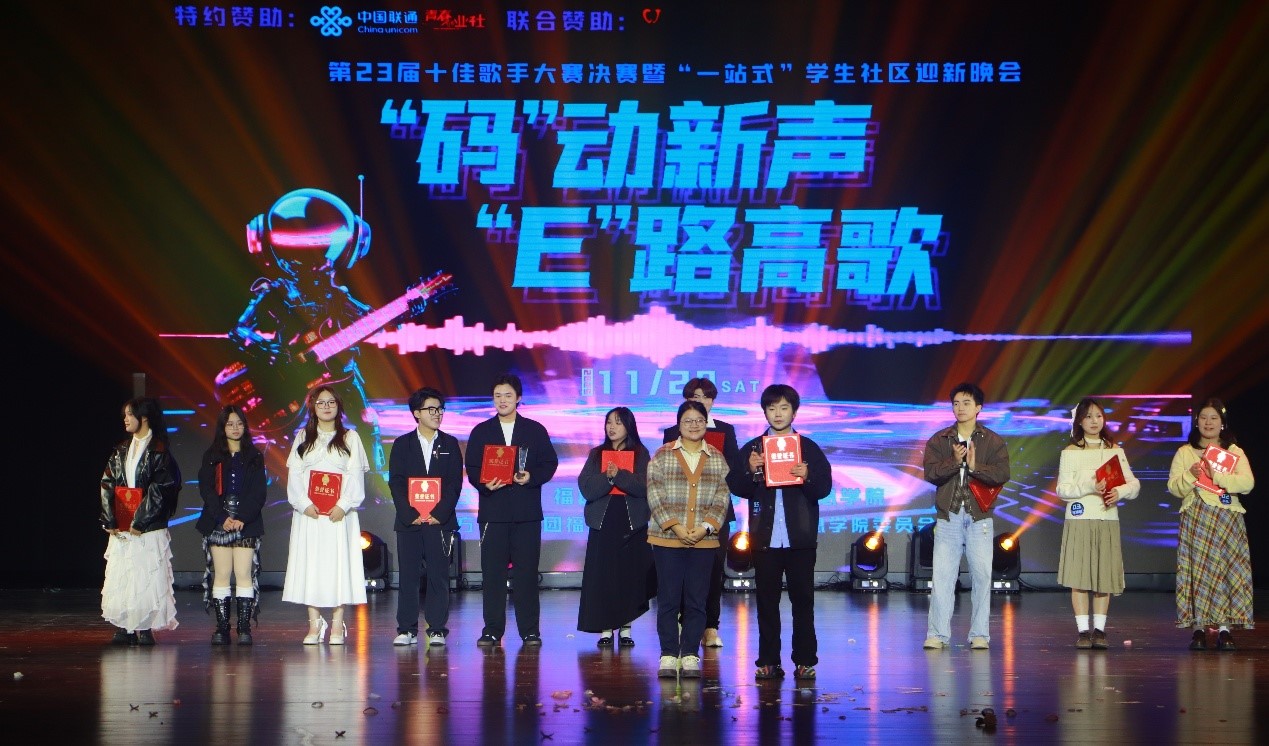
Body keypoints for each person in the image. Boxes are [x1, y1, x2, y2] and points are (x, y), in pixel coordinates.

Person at [728, 384, 833, 680]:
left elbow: (824, 488)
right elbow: (736, 486)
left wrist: (807, 475)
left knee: (803, 602)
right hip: (765, 539)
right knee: (766, 603)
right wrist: (750, 471)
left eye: (784, 408)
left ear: (794, 412)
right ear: (764, 412)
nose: (777, 414)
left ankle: (805, 660)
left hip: (800, 539)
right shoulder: (753, 448)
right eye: (772, 408)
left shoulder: (808, 447)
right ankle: (768, 660)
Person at [464, 373, 560, 646]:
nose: (502, 400)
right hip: (493, 513)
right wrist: (484, 483)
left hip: (526, 513)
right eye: (497, 396)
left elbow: (549, 463)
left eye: (508, 395)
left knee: (526, 574)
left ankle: (530, 630)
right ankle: (492, 630)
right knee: (492, 574)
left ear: (518, 398)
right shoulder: (481, 431)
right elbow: (472, 467)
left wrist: (531, 477)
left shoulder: (534, 430)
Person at [646, 400, 732, 679]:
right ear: (679, 425)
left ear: (706, 423)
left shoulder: (716, 457)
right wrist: (675, 527)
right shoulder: (662, 454)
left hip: (703, 540)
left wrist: (706, 527)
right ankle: (669, 654)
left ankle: (691, 654)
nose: (694, 425)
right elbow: (654, 493)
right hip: (667, 539)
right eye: (688, 421)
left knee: (697, 600)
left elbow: (722, 497)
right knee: (669, 599)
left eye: (699, 420)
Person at [922, 382, 1010, 650]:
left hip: (979, 517)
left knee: (982, 576)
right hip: (948, 517)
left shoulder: (992, 440)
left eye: (967, 403)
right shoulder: (940, 439)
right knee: (943, 577)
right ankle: (937, 634)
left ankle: (979, 634)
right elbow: (931, 473)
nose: (960, 408)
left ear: (978, 408)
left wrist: (974, 466)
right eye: (956, 403)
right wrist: (954, 461)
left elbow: (1002, 474)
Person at [282, 386, 370, 644]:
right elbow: (295, 474)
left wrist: (343, 504)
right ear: (313, 407)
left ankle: (337, 625)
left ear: (338, 406)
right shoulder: (303, 437)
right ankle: (314, 624)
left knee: (338, 566)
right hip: (309, 515)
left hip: (339, 515)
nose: (326, 406)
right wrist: (303, 503)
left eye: (331, 402)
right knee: (311, 565)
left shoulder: (351, 437)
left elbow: (355, 475)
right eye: (321, 402)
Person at [1168, 398, 1255, 651]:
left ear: (1222, 423)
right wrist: (1191, 475)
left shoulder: (1235, 451)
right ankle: (1198, 629)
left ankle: (1225, 630)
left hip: (1227, 519)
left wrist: (1217, 476)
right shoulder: (1185, 452)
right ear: (1197, 422)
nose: (1208, 423)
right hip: (1196, 518)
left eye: (1214, 418)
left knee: (1226, 571)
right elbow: (1173, 487)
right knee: (1198, 572)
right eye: (1204, 418)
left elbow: (1247, 483)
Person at [1055, 398, 1140, 649]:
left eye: (1098, 416)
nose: (1094, 421)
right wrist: (1090, 486)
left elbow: (1134, 485)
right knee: (1079, 577)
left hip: (1106, 518)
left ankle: (1100, 630)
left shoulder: (1114, 450)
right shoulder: (1070, 452)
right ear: (1079, 421)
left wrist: (1119, 492)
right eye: (1088, 416)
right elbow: (1062, 490)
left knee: (1104, 577)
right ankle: (1083, 631)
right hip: (1079, 519)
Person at [98, 397, 182, 645]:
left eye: (129, 414)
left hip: (147, 527)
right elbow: (107, 483)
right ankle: (125, 626)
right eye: (124, 414)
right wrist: (110, 518)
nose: (125, 419)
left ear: (143, 417)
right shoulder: (121, 449)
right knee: (125, 574)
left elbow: (162, 489)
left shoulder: (159, 451)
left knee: (146, 575)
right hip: (123, 524)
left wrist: (141, 521)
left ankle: (145, 626)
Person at [662, 377, 738, 648]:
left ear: (713, 401)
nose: (701, 401)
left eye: (706, 397)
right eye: (695, 397)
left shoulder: (726, 430)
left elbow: (733, 472)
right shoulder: (673, 432)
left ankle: (710, 627)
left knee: (713, 571)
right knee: (682, 572)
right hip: (682, 513)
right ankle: (685, 623)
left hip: (716, 512)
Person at [389, 387, 464, 647]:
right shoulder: (402, 444)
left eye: (440, 409)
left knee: (438, 576)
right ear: (416, 413)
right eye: (431, 409)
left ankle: (437, 629)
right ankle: (407, 629)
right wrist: (409, 514)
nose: (437, 414)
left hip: (439, 521)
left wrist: (438, 514)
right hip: (409, 522)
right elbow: (396, 482)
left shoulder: (450, 444)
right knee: (408, 576)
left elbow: (454, 483)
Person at [577, 407, 655, 647]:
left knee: (628, 576)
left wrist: (619, 475)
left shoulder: (641, 453)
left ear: (629, 426)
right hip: (603, 522)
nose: (612, 427)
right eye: (609, 422)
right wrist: (608, 477)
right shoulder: (597, 453)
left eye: (618, 423)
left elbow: (645, 486)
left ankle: (625, 627)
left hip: (631, 523)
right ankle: (605, 629)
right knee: (603, 576)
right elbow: (586, 487)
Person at [196, 405, 268, 645]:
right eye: (230, 424)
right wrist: (221, 517)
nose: (235, 428)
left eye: (239, 423)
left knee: (244, 574)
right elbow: (206, 489)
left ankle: (244, 628)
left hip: (246, 523)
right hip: (219, 522)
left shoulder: (254, 456)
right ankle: (222, 627)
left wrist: (242, 518)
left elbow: (259, 492)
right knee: (222, 574)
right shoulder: (212, 455)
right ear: (222, 428)